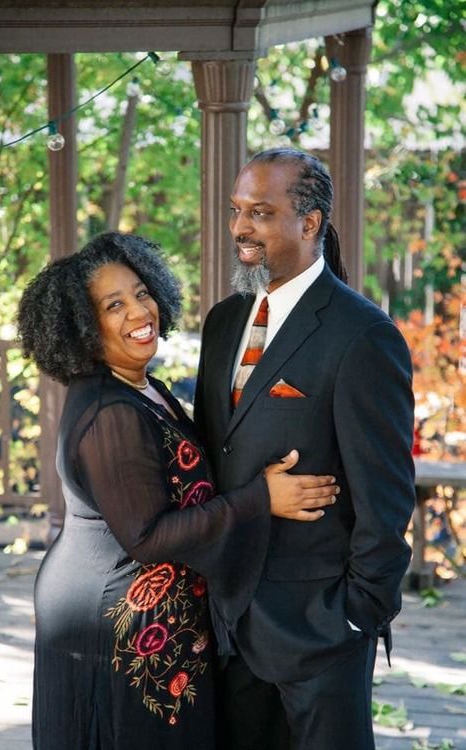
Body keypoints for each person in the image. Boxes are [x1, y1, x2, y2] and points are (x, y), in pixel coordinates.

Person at [17, 231, 338, 750]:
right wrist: (262, 499)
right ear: (82, 326)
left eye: (142, 293)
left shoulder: (142, 387)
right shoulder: (110, 412)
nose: (138, 311)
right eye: (113, 305)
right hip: (114, 623)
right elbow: (147, 537)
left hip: (153, 618)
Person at [194, 148, 416, 750]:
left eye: (261, 213)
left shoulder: (363, 334)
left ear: (309, 223)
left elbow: (386, 496)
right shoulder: (223, 322)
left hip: (321, 630)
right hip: (228, 624)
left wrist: (356, 615)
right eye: (237, 210)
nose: (241, 227)